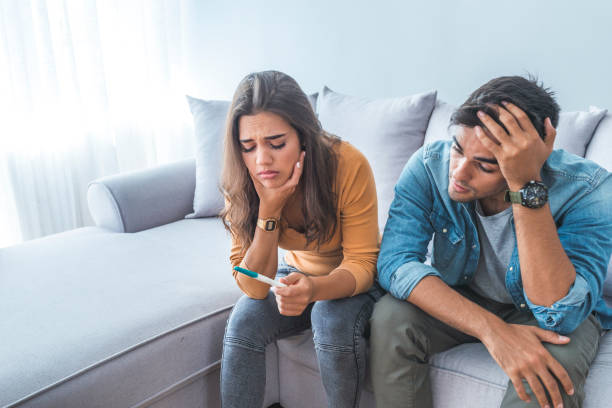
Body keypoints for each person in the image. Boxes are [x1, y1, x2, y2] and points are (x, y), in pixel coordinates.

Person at [370, 76, 612, 408]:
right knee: (391, 316)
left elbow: (559, 313)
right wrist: (493, 331)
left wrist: (526, 185)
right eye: (457, 149)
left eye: (484, 165)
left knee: (548, 377)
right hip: (467, 295)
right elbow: (395, 263)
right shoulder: (430, 165)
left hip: (547, 312)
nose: (458, 172)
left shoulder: (589, 190)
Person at [219, 70, 382, 408]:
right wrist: (269, 212)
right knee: (243, 322)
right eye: (248, 147)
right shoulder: (242, 178)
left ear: (304, 137)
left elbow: (363, 263)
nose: (262, 160)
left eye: (277, 144)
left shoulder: (347, 164)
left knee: (329, 317)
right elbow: (251, 284)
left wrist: (314, 290)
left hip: (356, 280)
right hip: (297, 272)